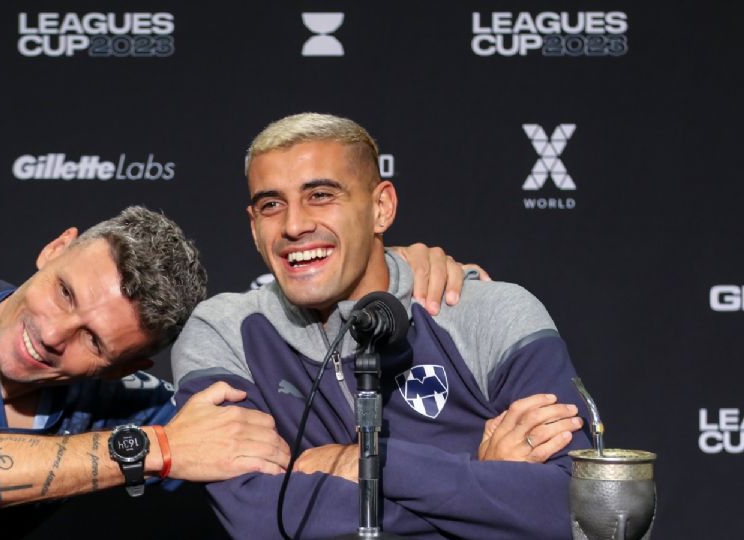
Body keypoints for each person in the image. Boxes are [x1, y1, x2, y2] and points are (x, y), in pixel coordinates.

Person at [0, 205, 470, 538]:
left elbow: (303, 463)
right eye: (64, 292)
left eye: (92, 340)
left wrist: (389, 278)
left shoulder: (130, 404)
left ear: (129, 365)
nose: (50, 335)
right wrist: (161, 451)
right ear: (54, 248)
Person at [172, 113, 591, 539]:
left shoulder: (489, 312)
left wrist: (370, 462)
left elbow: (573, 510)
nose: (294, 225)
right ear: (254, 227)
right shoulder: (224, 332)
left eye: (320, 195)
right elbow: (260, 517)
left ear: (381, 208)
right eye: (271, 205)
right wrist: (482, 486)